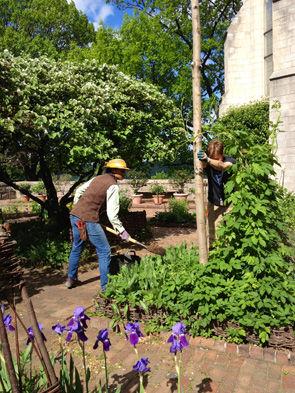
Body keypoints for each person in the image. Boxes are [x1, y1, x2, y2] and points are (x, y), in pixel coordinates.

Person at [66, 158, 130, 291]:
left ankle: (70, 280)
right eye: (122, 170)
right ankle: (106, 288)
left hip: (75, 215)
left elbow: (78, 191)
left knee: (77, 247)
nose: (124, 173)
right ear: (114, 170)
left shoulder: (97, 178)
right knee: (104, 251)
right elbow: (112, 214)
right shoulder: (113, 185)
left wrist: (79, 208)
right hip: (89, 219)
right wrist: (121, 230)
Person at [198, 140, 235, 246]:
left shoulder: (231, 161)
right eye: (211, 157)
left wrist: (208, 159)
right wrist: (201, 158)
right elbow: (202, 165)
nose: (213, 160)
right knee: (212, 232)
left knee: (230, 232)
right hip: (213, 201)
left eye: (216, 158)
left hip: (230, 203)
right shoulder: (208, 162)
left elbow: (222, 165)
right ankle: (214, 255)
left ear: (222, 154)